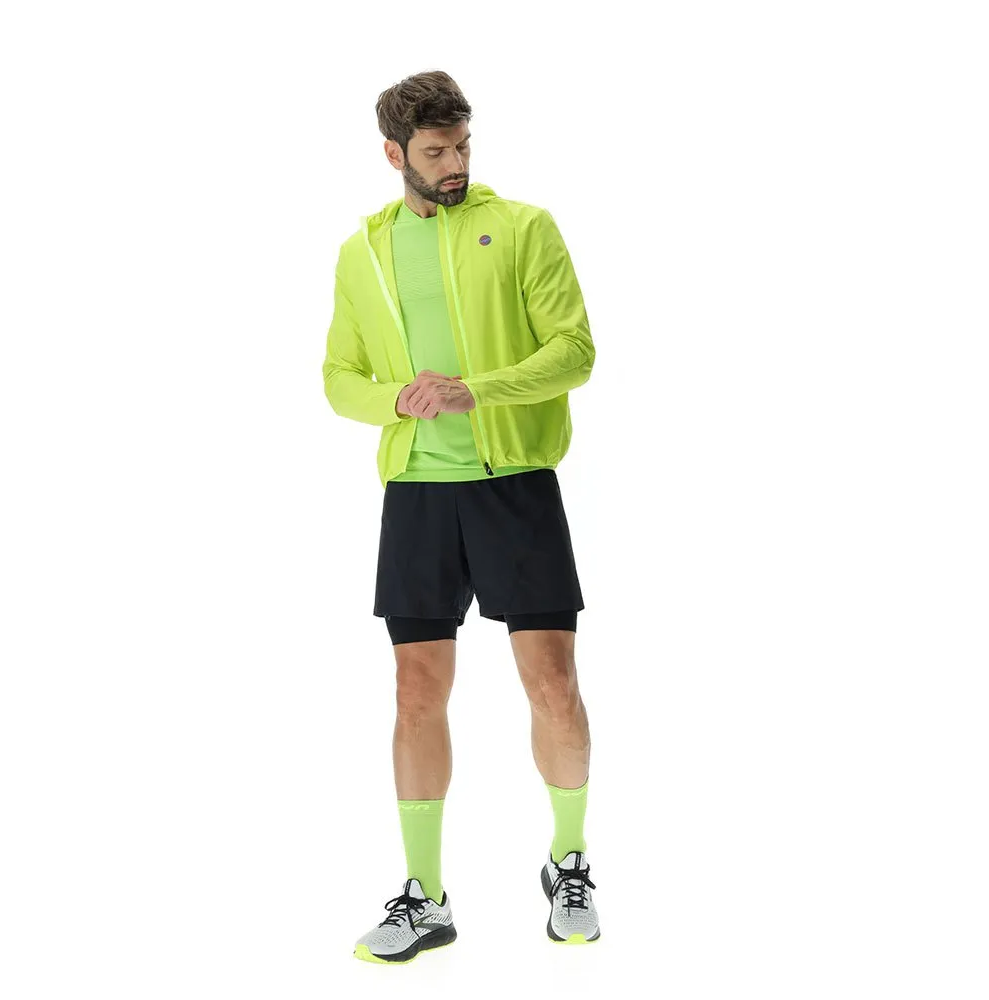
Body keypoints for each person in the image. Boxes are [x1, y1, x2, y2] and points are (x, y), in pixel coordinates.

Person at [322, 70, 599, 964]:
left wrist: (473, 390)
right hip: (416, 491)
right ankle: (425, 896)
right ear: (394, 154)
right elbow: (338, 378)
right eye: (437, 151)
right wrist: (396, 402)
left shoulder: (521, 227)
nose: (455, 164)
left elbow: (575, 352)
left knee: (551, 684)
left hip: (514, 482)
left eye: (463, 146)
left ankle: (569, 862)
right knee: (415, 693)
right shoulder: (363, 252)